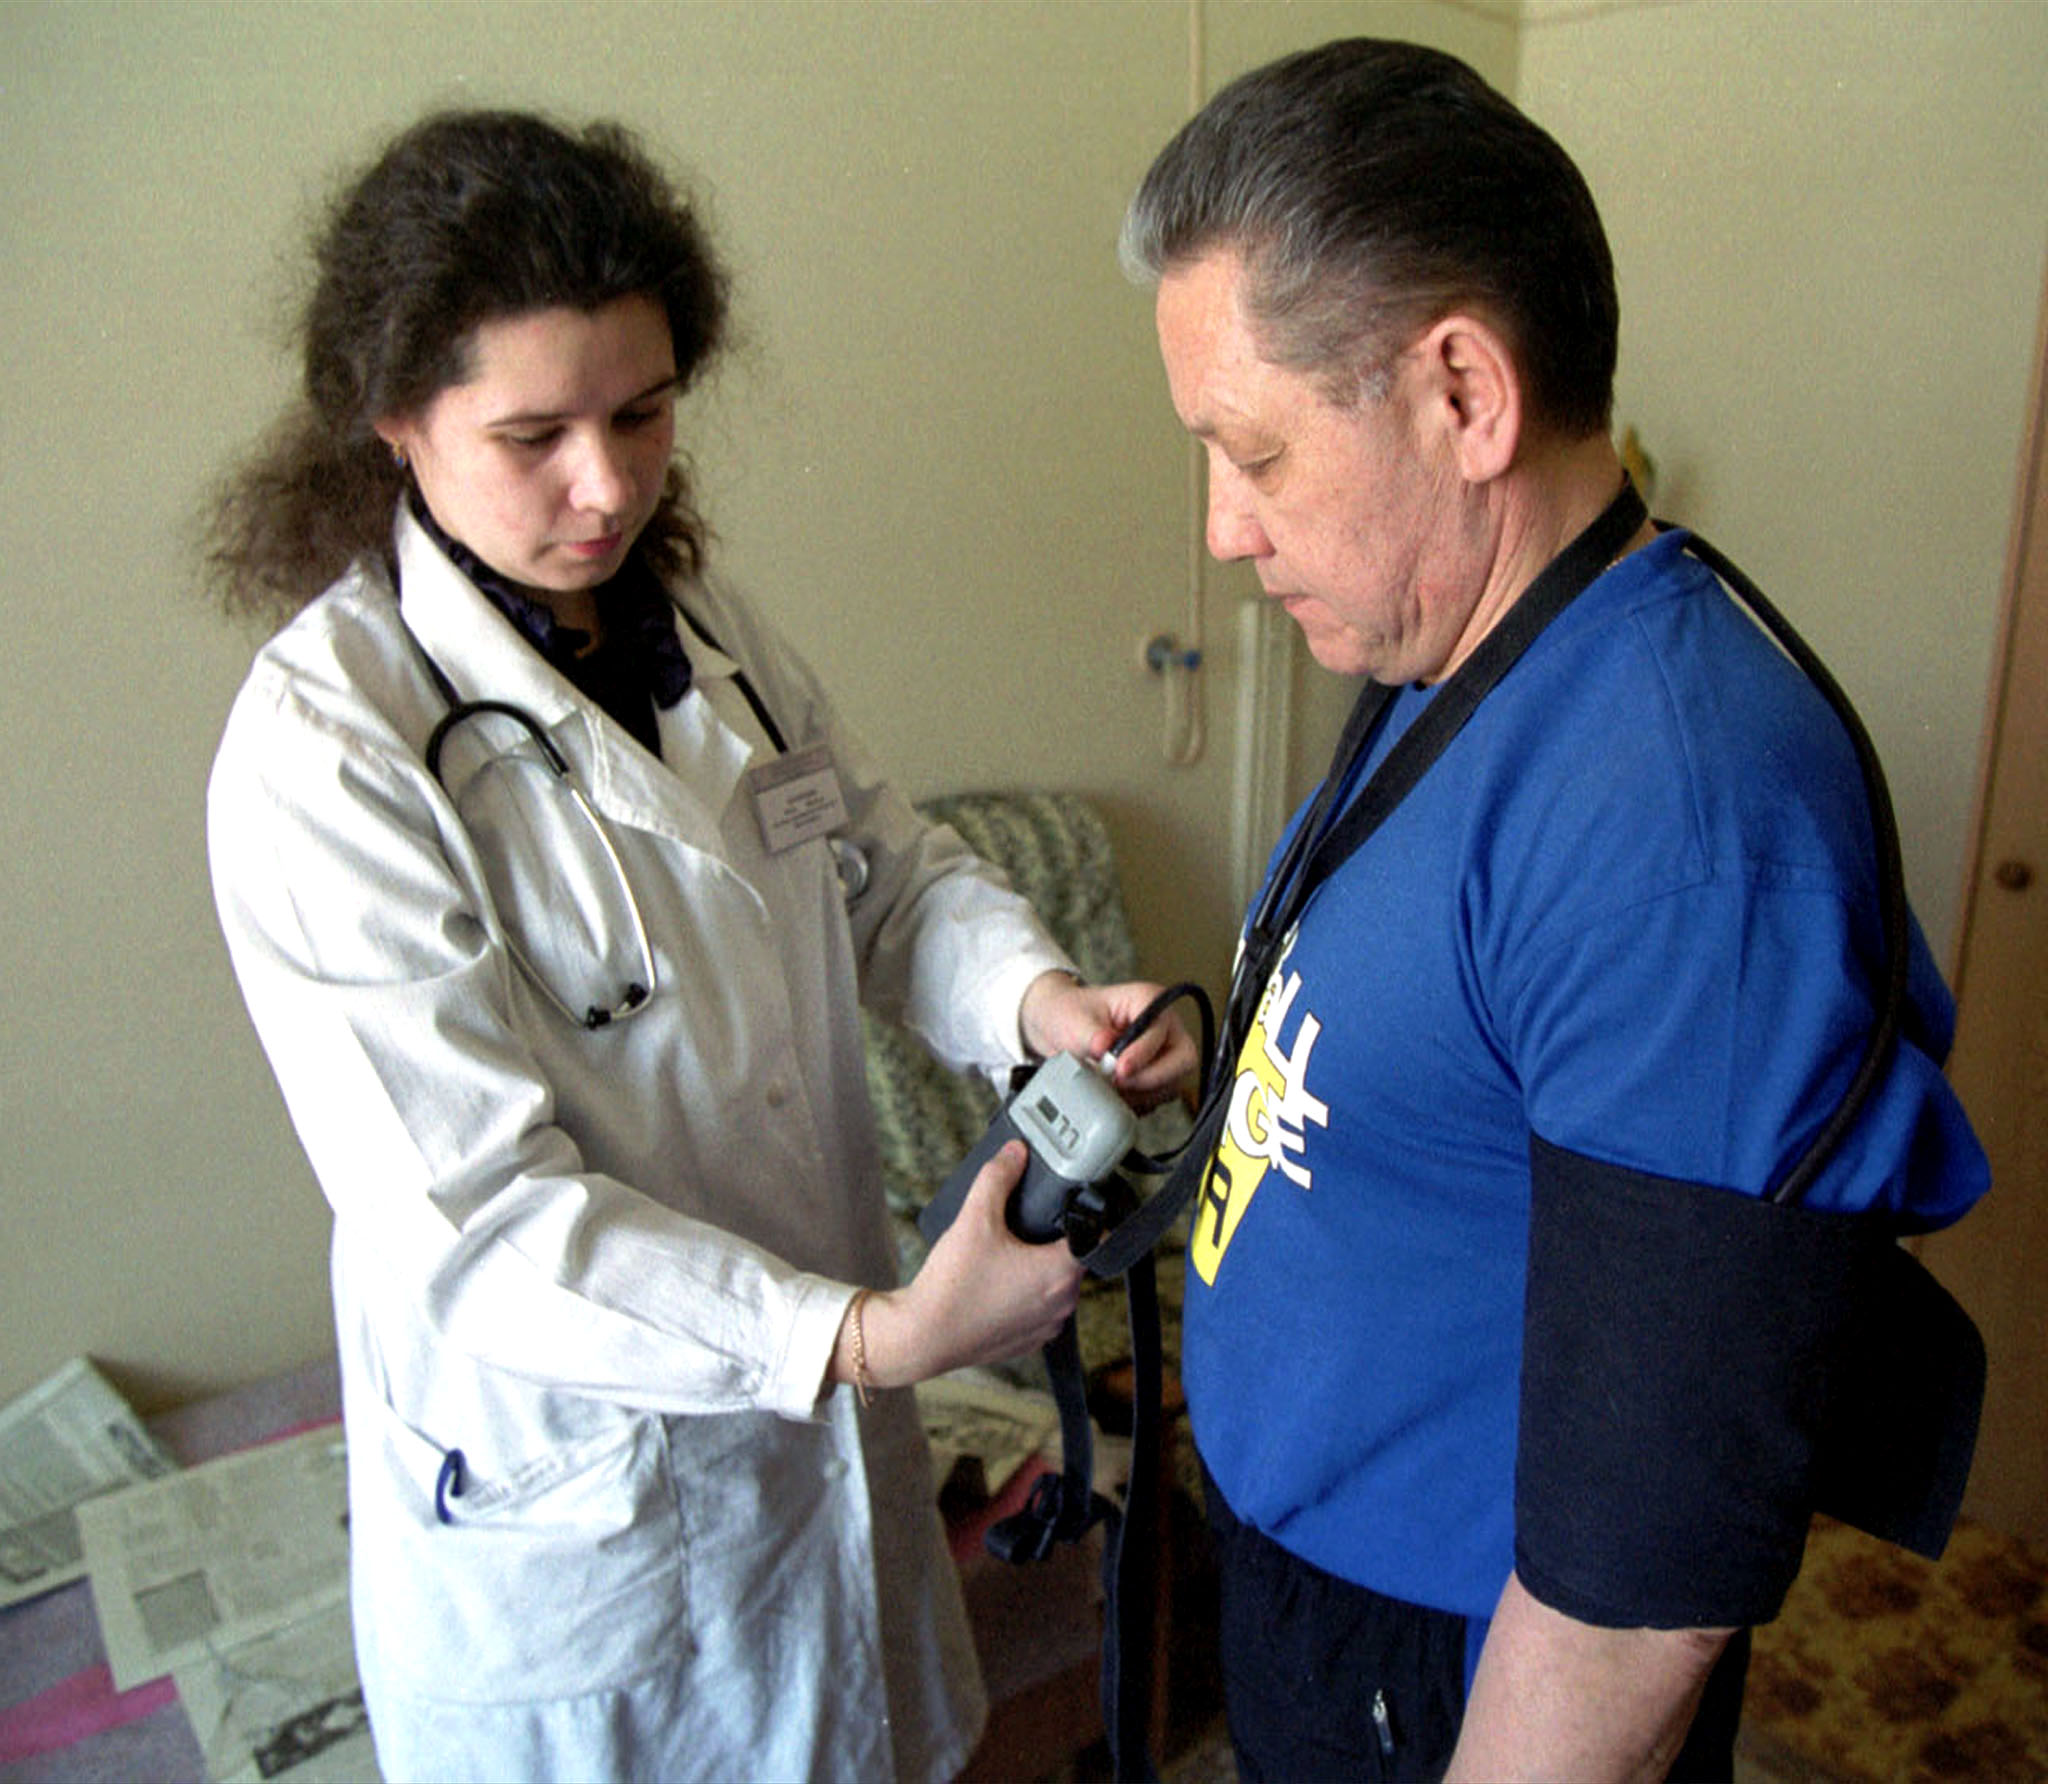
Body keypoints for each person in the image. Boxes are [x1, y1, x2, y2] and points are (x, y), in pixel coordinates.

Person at [204, 108, 1193, 1784]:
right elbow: (482, 1223)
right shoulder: (328, 747)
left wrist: (1037, 1003)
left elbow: (888, 877)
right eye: (534, 435)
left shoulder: (706, 631)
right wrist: (867, 1341)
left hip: (815, 1466)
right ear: (392, 418)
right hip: (588, 1511)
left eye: (644, 412)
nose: (608, 487)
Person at [1119, 38, 1989, 1783]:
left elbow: (1634, 1593)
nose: (1222, 528)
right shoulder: (1460, 655)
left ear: (1463, 394)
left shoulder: (1683, 819)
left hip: (1446, 1671)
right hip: (1318, 1587)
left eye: (1254, 452)